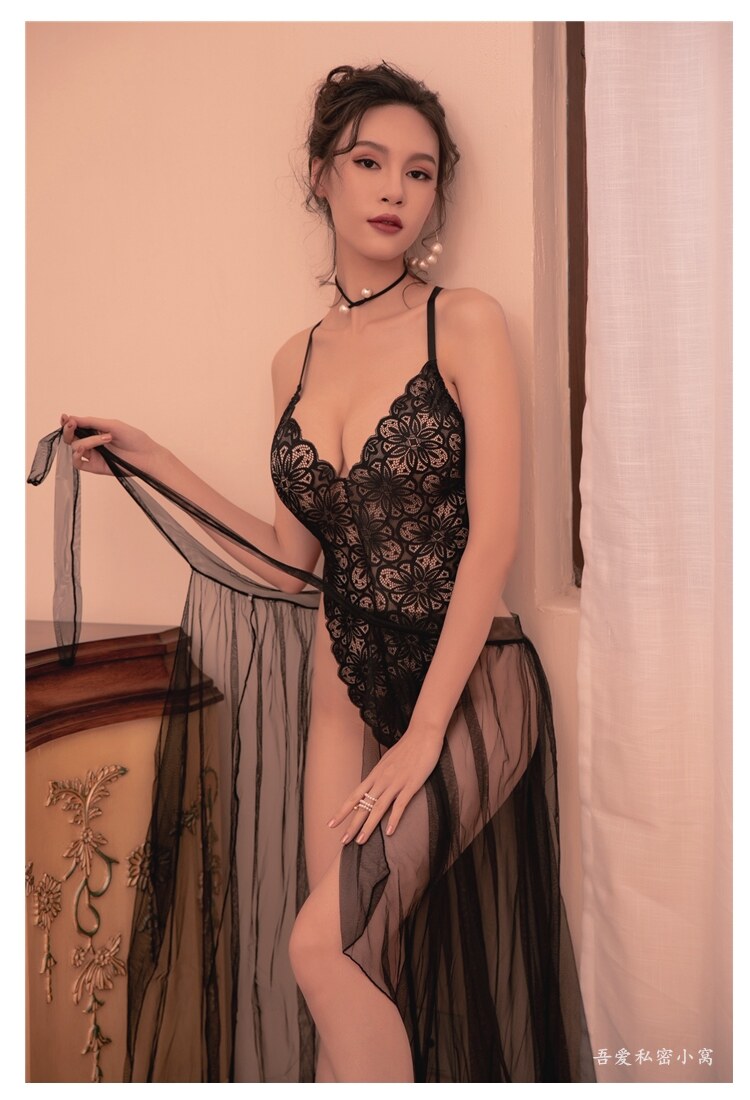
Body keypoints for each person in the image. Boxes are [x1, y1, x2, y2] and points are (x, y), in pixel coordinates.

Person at [53, 61, 594, 1083]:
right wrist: (154, 460)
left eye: (420, 172)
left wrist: (425, 735)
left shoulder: (464, 321)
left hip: (472, 687)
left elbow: (494, 541)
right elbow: (290, 561)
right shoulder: (293, 359)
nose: (395, 189)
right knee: (344, 960)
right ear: (322, 176)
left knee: (323, 946)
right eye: (369, 162)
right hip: (344, 694)